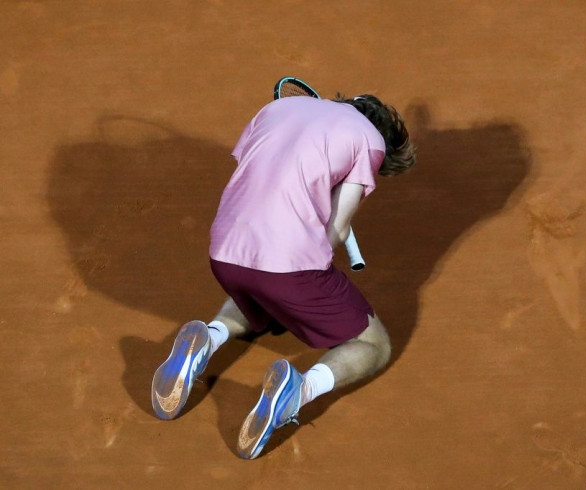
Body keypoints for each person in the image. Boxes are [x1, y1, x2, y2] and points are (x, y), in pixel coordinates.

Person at [151, 92, 416, 459]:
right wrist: (316, 249)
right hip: (288, 268)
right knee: (374, 345)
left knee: (264, 286)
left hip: (225, 253)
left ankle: (209, 339)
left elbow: (259, 179)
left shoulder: (277, 108)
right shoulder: (369, 142)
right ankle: (299, 392)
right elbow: (336, 230)